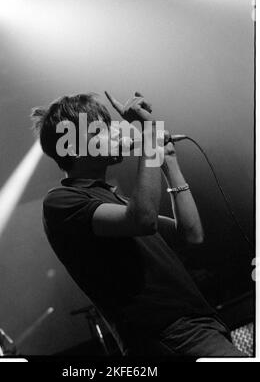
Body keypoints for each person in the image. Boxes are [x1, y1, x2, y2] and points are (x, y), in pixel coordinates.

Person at [31, 91, 245, 358]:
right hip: (168, 335)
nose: (116, 133)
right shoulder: (62, 201)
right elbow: (143, 219)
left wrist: (170, 162)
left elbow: (190, 233)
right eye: (102, 129)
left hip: (197, 327)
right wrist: (149, 140)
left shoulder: (115, 198)